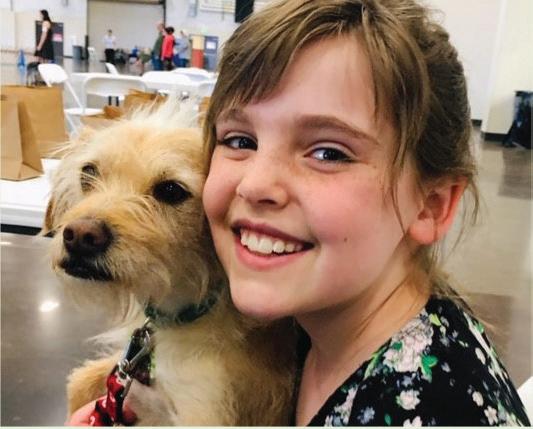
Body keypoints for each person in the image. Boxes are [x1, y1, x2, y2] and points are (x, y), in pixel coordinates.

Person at [67, 0, 531, 426]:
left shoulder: (426, 407)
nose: (255, 184)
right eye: (240, 140)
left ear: (431, 205)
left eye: (328, 152)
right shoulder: (311, 323)